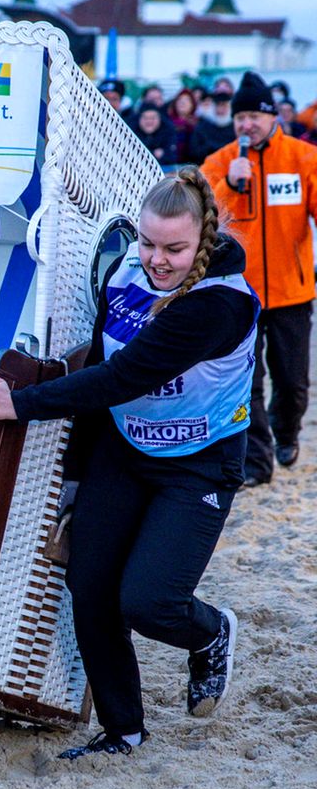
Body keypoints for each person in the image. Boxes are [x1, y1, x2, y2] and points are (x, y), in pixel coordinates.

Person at [0, 168, 257, 759]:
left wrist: (21, 404)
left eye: (174, 249)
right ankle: (123, 730)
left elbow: (121, 377)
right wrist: (77, 475)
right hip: (126, 448)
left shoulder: (219, 304)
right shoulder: (125, 267)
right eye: (148, 242)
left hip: (199, 462)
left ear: (202, 241)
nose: (156, 260)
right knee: (90, 584)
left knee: (148, 602)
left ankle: (211, 633)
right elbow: (100, 361)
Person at [202, 71, 317, 487]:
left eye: (254, 116)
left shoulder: (303, 158)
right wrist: (230, 185)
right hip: (239, 295)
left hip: (291, 292)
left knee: (292, 381)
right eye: (240, 117)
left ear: (273, 117)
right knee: (246, 383)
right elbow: (201, 214)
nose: (247, 124)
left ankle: (286, 433)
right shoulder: (220, 162)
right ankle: (256, 461)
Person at [190, 91, 235, 165]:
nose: (220, 109)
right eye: (218, 105)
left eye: (224, 106)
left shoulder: (235, 127)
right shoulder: (202, 126)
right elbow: (194, 152)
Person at [132, 103, 177, 169]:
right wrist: (154, 153)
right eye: (145, 118)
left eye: (153, 118)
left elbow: (172, 157)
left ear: (159, 118)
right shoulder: (131, 130)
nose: (149, 121)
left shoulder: (168, 129)